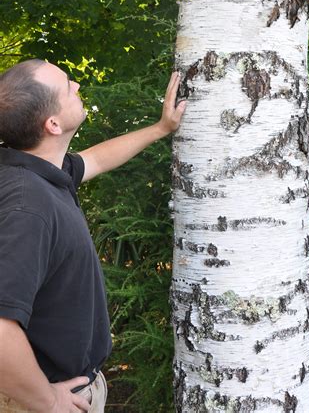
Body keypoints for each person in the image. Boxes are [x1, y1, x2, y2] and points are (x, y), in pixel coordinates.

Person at [0, 59, 186, 413]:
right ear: (52, 124)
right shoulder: (27, 207)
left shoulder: (37, 170)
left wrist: (161, 128)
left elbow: (95, 160)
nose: (78, 87)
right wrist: (48, 401)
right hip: (35, 401)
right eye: (68, 86)